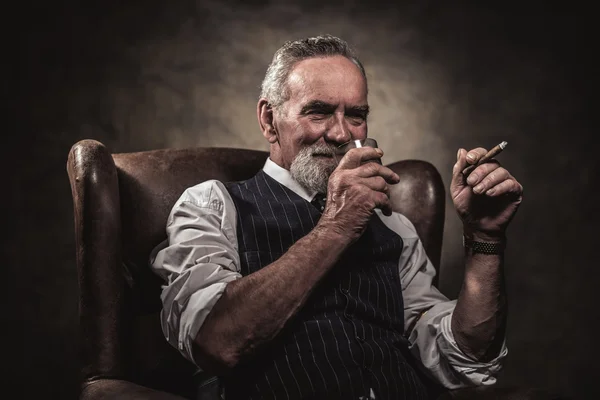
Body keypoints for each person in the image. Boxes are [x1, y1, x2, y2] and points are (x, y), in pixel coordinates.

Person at [150, 35, 523, 400]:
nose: (341, 132)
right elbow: (217, 341)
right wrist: (338, 225)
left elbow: (463, 357)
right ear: (269, 120)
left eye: (356, 115)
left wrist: (484, 238)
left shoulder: (394, 225)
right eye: (319, 111)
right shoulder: (212, 205)